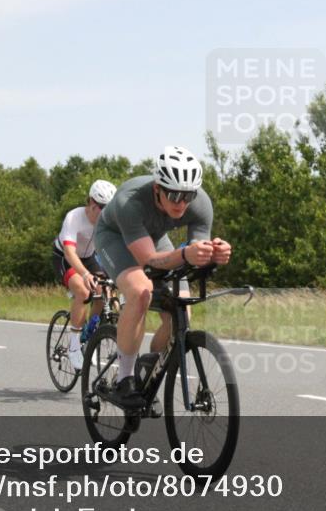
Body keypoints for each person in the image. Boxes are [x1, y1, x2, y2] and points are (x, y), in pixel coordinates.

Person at [94, 146, 231, 406]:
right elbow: (150, 262)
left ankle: (150, 366)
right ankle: (125, 380)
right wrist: (186, 254)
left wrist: (214, 255)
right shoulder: (130, 201)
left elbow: (194, 259)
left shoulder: (200, 203)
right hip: (115, 238)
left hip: (154, 239)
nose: (181, 202)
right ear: (157, 188)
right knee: (140, 292)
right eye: (173, 194)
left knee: (182, 312)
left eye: (187, 195)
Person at [52, 180, 117, 369]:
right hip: (64, 258)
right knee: (83, 291)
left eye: (109, 209)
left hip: (89, 258)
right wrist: (85, 274)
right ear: (91, 202)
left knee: (105, 291)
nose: (105, 213)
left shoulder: (108, 222)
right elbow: (70, 252)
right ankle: (73, 346)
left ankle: (90, 336)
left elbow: (114, 249)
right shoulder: (74, 217)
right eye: (102, 208)